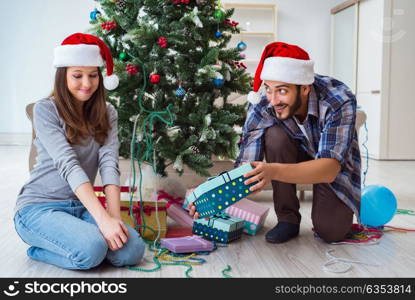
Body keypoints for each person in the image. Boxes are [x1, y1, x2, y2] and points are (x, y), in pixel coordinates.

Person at [189, 42, 361, 244]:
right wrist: (212, 199)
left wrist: (271, 171)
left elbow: (330, 168)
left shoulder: (338, 99)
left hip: (330, 164)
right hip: (292, 154)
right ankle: (288, 219)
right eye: (269, 89)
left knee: (331, 232)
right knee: (275, 135)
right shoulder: (264, 102)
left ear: (304, 88)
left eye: (282, 91)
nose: (273, 100)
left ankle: (330, 210)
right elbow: (246, 167)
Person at [13, 33, 145, 270]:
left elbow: (108, 164)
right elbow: (69, 165)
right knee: (91, 249)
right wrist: (102, 220)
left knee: (131, 250)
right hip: (39, 208)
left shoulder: (108, 112)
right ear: (63, 75)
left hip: (80, 207)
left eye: (93, 75)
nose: (86, 83)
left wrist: (113, 218)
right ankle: (39, 248)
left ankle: (80, 238)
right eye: (77, 75)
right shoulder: (45, 109)